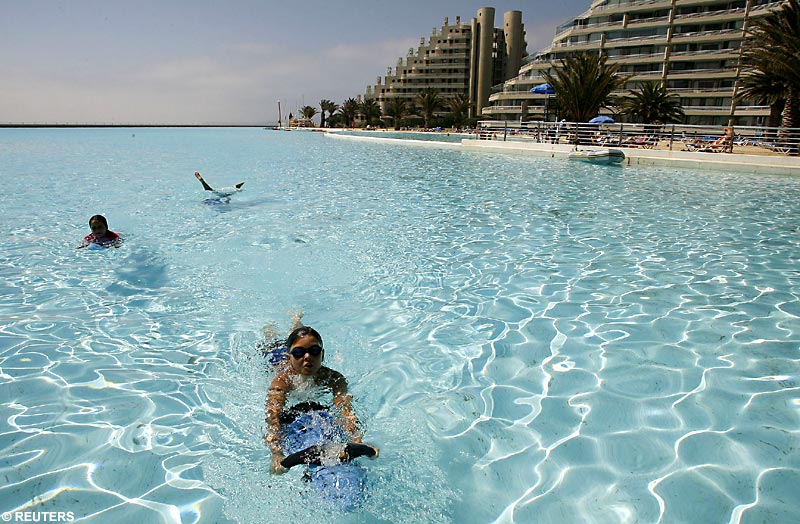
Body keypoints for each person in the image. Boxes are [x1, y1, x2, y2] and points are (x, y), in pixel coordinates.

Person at [264, 324, 379, 474]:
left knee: (296, 334)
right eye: (299, 352)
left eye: (314, 351)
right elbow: (272, 418)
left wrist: (356, 440)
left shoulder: (334, 378)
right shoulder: (282, 382)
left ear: (322, 355)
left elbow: (345, 410)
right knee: (271, 342)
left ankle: (296, 323)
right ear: (290, 356)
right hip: (277, 360)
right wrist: (276, 453)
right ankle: (272, 330)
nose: (307, 357)